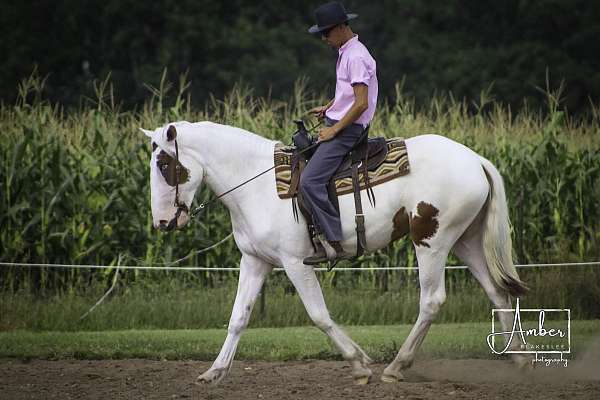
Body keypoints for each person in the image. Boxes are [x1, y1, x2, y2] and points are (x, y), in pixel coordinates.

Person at [301, 1, 378, 265]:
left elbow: (361, 103)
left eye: (326, 32)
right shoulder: (347, 51)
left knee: (309, 181)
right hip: (343, 122)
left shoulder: (355, 56)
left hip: (349, 131)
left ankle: (334, 242)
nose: (324, 38)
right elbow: (348, 96)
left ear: (342, 27)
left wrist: (334, 129)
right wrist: (330, 107)